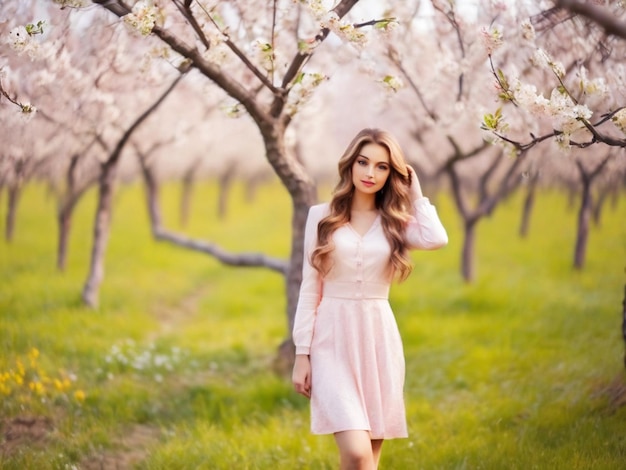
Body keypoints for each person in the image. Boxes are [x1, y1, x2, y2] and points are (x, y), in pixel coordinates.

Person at [291, 128, 448, 469]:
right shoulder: (321, 216)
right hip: (331, 341)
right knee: (357, 453)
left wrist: (416, 193)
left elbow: (436, 238)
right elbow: (309, 286)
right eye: (363, 162)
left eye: (382, 167)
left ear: (393, 174)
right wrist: (302, 353)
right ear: (350, 164)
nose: (369, 173)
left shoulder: (396, 224)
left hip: (378, 340)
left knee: (369, 462)